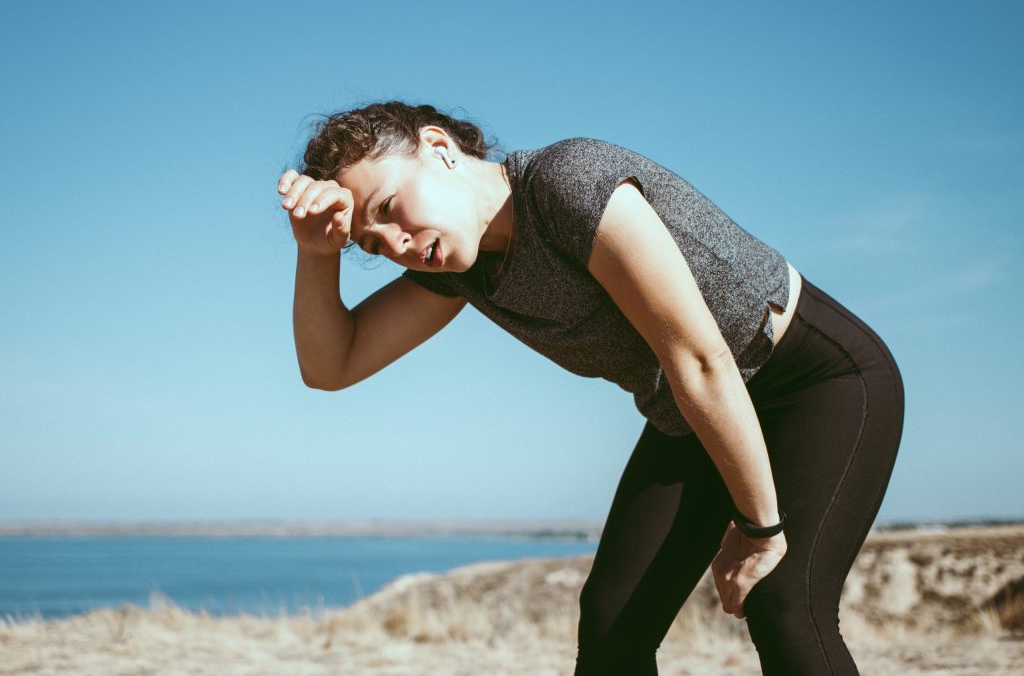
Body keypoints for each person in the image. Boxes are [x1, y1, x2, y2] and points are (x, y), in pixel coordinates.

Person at [278, 100, 905, 675]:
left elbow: (700, 358)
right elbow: (333, 366)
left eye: (387, 209)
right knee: (612, 625)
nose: (396, 245)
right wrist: (317, 253)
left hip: (814, 379)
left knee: (783, 600)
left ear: (439, 147)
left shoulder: (567, 182)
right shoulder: (465, 272)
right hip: (691, 412)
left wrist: (760, 529)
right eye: (370, 243)